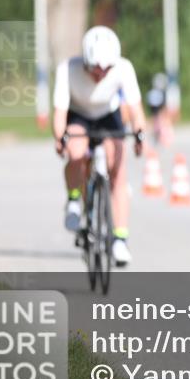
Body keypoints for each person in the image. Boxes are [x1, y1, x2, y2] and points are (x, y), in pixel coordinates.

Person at [52, 26, 145, 265]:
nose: (100, 74)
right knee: (76, 151)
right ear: (85, 61)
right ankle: (74, 199)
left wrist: (139, 134)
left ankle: (120, 240)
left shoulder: (124, 68)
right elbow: (60, 112)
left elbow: (135, 110)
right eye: (95, 68)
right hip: (79, 114)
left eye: (106, 69)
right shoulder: (68, 69)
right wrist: (59, 137)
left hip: (108, 114)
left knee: (118, 170)